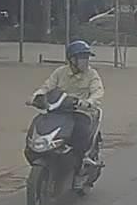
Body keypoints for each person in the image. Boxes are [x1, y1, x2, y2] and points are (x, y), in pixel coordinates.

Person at [30, 40, 105, 189]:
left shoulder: (92, 74)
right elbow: (47, 87)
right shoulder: (60, 72)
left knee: (81, 133)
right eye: (82, 58)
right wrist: (36, 97)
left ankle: (80, 168)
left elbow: (98, 91)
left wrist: (89, 102)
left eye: (87, 58)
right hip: (58, 111)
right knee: (40, 124)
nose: (86, 61)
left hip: (80, 112)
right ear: (72, 59)